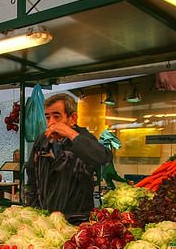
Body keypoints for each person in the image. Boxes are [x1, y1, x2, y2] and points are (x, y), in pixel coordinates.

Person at [25, 93, 112, 223]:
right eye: (48, 117)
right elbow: (32, 177)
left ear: (73, 118)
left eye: (57, 116)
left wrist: (70, 134)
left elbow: (103, 158)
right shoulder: (42, 141)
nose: (51, 123)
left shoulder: (84, 139)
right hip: (46, 219)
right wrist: (32, 211)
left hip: (77, 222)